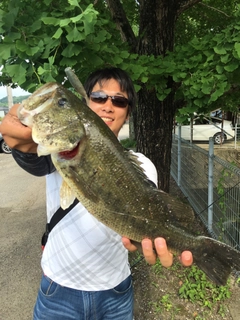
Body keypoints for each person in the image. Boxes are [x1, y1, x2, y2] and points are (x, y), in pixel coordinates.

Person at [0, 67, 193, 320]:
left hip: (116, 291)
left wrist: (148, 240)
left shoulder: (143, 165)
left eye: (119, 100)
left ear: (128, 112)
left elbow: (143, 222)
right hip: (57, 289)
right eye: (99, 97)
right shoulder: (59, 154)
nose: (108, 106)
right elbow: (32, 157)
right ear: (86, 103)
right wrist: (20, 144)